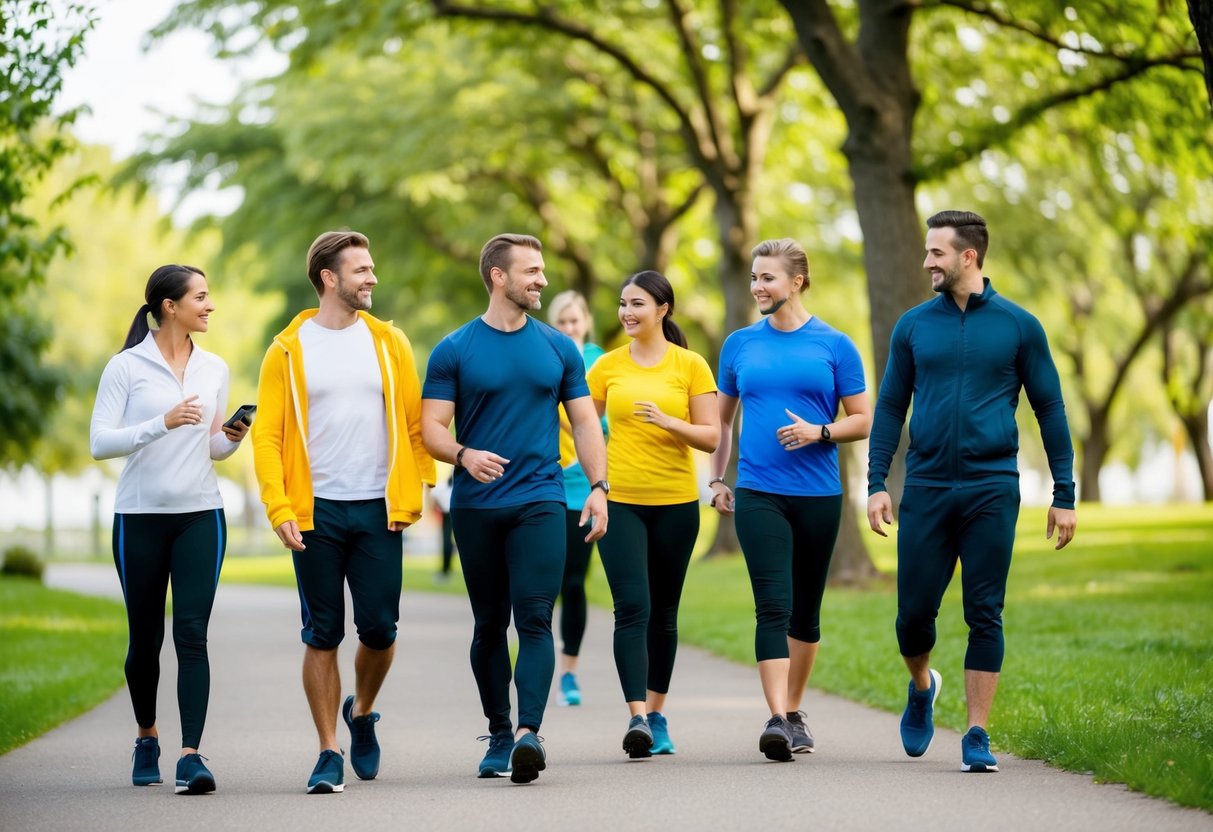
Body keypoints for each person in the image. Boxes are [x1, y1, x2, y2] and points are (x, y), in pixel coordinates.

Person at [866, 210, 1077, 773]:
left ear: (969, 256)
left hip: (991, 486)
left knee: (985, 611)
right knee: (913, 617)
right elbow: (890, 407)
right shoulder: (913, 326)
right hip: (928, 485)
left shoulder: (1018, 325)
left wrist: (1065, 491)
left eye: (937, 252)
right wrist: (876, 483)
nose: (927, 261)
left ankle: (977, 733)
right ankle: (921, 685)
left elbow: (1050, 408)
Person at [420, 233, 608, 785]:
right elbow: (430, 428)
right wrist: (463, 453)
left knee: (533, 617)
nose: (542, 280)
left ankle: (529, 732)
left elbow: (584, 424)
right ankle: (498, 731)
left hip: (541, 501)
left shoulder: (559, 348)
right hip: (476, 507)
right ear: (498, 276)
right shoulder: (454, 349)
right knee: (487, 624)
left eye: (543, 270)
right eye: (531, 271)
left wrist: (599, 486)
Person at [252, 230, 435, 794]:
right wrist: (277, 504)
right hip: (315, 512)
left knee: (380, 628)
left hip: (379, 508)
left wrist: (420, 487)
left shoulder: (389, 342)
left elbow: (413, 422)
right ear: (329, 278)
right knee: (322, 632)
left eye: (372, 268)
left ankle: (363, 712)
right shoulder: (288, 349)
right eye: (361, 270)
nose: (372, 278)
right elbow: (267, 437)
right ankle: (328, 749)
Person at [708, 239, 871, 762]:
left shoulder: (835, 345)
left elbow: (864, 418)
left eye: (768, 278)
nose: (758, 286)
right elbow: (722, 422)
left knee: (806, 612)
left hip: (819, 496)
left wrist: (820, 432)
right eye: (754, 277)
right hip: (758, 493)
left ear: (796, 281)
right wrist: (716, 480)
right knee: (772, 606)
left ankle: (795, 710)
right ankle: (776, 718)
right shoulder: (739, 345)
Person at [90, 264, 249, 794]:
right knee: (145, 639)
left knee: (192, 636)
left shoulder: (214, 367)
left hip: (201, 515)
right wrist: (162, 422)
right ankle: (146, 736)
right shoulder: (126, 367)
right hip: (138, 519)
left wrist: (232, 437)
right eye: (201, 297)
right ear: (169, 307)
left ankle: (191, 756)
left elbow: (211, 446)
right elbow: (100, 442)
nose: (210, 306)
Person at [586, 270, 718, 759]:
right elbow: (580, 421)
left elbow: (711, 437)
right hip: (620, 501)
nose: (626, 312)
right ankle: (637, 718)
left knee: (664, 613)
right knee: (632, 607)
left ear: (663, 309)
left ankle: (658, 713)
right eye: (622, 303)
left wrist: (669, 422)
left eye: (637, 303)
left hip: (676, 505)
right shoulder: (605, 367)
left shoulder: (691, 366)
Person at [548, 290, 606, 707]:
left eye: (575, 320)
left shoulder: (600, 363)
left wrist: (572, 421)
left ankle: (569, 671)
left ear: (585, 322)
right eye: (562, 322)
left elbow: (601, 427)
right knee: (540, 584)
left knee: (573, 582)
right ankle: (537, 663)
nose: (569, 328)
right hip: (544, 485)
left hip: (584, 489)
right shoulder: (545, 356)